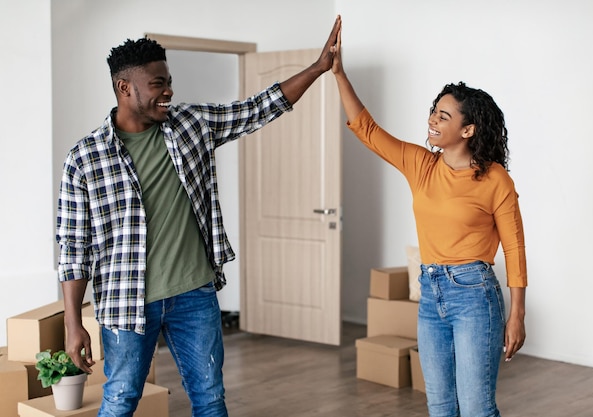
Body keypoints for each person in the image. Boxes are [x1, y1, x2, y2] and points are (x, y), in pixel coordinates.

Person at [56, 16, 341, 417]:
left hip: (194, 293)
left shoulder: (191, 124)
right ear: (125, 88)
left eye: (168, 81)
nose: (169, 91)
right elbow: (73, 248)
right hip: (126, 301)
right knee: (120, 399)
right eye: (158, 84)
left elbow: (257, 109)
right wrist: (72, 324)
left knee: (209, 397)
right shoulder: (85, 158)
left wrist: (317, 68)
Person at [330, 20, 526, 417]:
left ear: (468, 129)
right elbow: (366, 129)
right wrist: (338, 73)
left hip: (475, 296)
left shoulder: (495, 179)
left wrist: (517, 314)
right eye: (433, 113)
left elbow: (515, 248)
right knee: (439, 406)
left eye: (443, 116)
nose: (432, 121)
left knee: (475, 409)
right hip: (430, 292)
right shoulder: (421, 165)